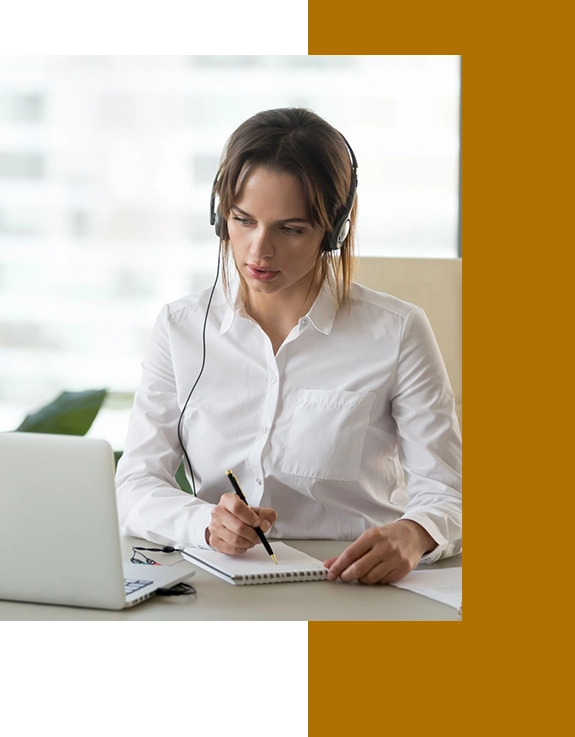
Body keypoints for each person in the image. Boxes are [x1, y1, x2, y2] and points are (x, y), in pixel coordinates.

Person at [115, 107, 461, 585]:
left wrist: (414, 532)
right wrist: (205, 524)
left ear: (332, 230)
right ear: (220, 217)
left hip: (351, 584)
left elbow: (446, 492)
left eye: (290, 229)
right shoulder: (180, 327)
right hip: (222, 586)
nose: (258, 251)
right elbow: (134, 485)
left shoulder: (398, 331)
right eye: (243, 220)